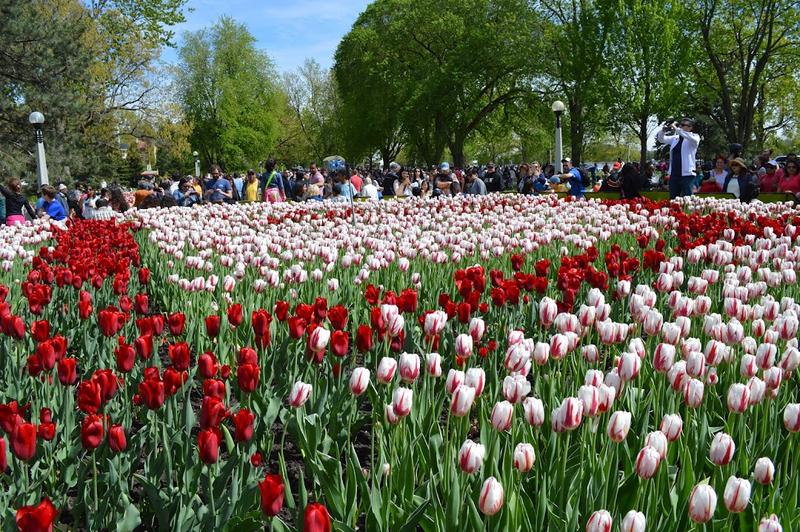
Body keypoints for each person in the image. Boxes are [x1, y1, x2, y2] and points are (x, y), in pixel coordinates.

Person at [656, 118, 700, 199]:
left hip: (687, 175)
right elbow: (661, 139)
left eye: (683, 125)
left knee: (687, 199)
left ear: (690, 128)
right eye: (680, 124)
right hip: (674, 174)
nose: (680, 126)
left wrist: (675, 127)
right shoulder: (675, 138)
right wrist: (663, 130)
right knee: (673, 199)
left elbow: (684, 134)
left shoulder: (695, 137)